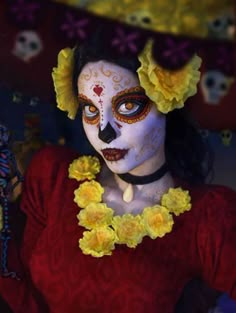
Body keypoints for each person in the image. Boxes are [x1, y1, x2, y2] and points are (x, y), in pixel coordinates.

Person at [0, 33, 235, 313]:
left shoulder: (208, 217)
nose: (104, 131)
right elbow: (25, 295)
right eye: (90, 109)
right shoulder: (54, 178)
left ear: (166, 100)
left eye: (127, 106)